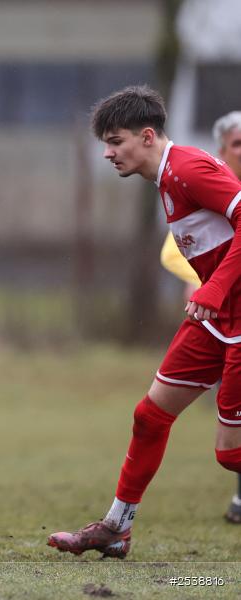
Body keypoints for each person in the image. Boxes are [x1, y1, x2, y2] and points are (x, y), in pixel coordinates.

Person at [48, 87, 241, 558]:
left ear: (148, 136)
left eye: (115, 142)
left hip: (233, 317)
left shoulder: (190, 168)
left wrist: (213, 288)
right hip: (217, 320)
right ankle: (117, 527)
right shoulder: (168, 178)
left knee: (230, 453)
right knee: (150, 417)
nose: (108, 153)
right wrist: (214, 294)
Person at [159, 110, 241, 524]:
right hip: (218, 320)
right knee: (228, 438)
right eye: (238, 144)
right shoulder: (204, 190)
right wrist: (210, 286)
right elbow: (177, 254)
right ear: (222, 152)